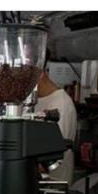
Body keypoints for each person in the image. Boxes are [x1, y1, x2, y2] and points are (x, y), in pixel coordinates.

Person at [35, 49, 78, 184]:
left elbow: (48, 161)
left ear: (40, 73)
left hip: (52, 187)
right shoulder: (32, 101)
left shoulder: (61, 104)